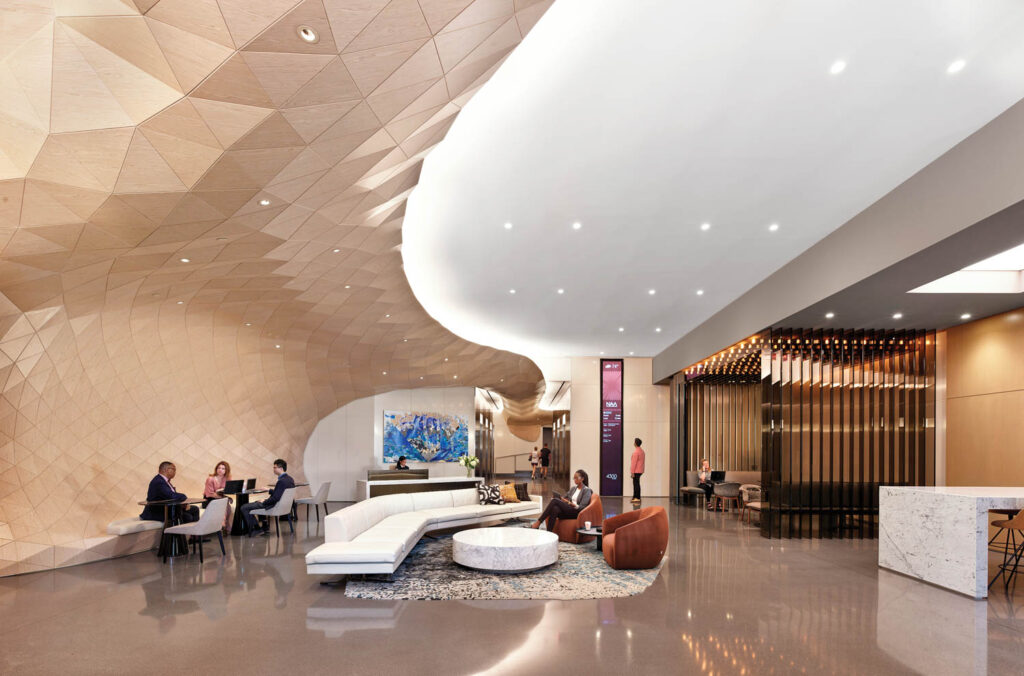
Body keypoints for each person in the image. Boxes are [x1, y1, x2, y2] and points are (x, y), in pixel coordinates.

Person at [241, 459, 296, 536]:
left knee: (244, 507)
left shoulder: (281, 481)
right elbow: (281, 494)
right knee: (257, 502)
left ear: (281, 468)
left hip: (274, 506)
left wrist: (264, 501)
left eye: (275, 467)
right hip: (283, 507)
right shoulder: (290, 479)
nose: (273, 469)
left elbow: (275, 498)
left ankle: (256, 529)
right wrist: (269, 490)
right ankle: (264, 527)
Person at [203, 460, 233, 531]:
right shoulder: (210, 479)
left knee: (228, 507)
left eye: (223, 468)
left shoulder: (227, 479)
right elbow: (209, 494)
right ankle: (224, 526)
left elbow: (228, 490)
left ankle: (225, 525)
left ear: (226, 470)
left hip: (220, 499)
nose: (220, 470)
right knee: (224, 504)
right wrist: (224, 498)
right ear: (216, 469)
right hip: (209, 499)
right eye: (219, 468)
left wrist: (226, 497)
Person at [630, 438, 646, 503]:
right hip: (640, 470)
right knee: (637, 484)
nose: (633, 443)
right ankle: (637, 497)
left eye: (634, 442)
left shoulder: (636, 452)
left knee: (636, 484)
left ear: (636, 443)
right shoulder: (642, 451)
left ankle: (636, 498)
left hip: (636, 471)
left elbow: (634, 463)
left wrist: (632, 472)